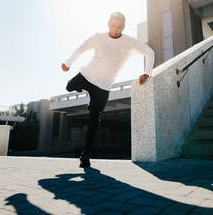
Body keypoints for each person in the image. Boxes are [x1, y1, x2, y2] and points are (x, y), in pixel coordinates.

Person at [61, 12, 155, 168]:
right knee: (69, 86)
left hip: (103, 87)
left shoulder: (130, 42)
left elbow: (149, 52)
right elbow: (81, 48)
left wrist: (147, 72)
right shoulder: (98, 37)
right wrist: (68, 63)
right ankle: (81, 89)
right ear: (108, 23)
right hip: (87, 75)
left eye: (119, 27)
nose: (115, 30)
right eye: (113, 26)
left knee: (94, 120)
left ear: (123, 27)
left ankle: (86, 155)